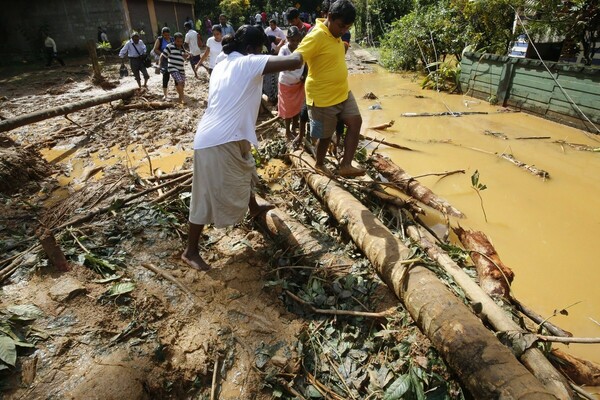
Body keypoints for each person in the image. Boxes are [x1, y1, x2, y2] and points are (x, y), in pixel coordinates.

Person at [181, 25, 303, 271]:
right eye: (259, 49)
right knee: (204, 195)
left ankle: (254, 207)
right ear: (250, 49)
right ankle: (190, 251)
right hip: (217, 140)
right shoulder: (246, 63)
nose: (261, 54)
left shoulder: (224, 63)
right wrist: (315, 39)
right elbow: (295, 60)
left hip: (232, 134)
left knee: (247, 169)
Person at [294, 0, 364, 177]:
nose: (343, 31)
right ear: (329, 17)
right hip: (322, 97)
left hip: (342, 91)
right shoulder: (316, 35)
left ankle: (346, 165)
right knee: (325, 136)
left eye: (347, 28)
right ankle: (319, 164)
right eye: (341, 26)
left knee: (356, 122)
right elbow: (297, 56)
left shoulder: (335, 33)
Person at [277, 27, 305, 142]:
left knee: (297, 108)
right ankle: (287, 131)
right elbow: (280, 63)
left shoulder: (301, 49)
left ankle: (294, 128)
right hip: (286, 83)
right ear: (288, 39)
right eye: (292, 40)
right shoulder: (283, 50)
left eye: (297, 40)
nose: (295, 43)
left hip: (298, 83)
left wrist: (304, 76)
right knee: (287, 109)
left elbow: (306, 63)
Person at [159, 32, 188, 104]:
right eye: (178, 41)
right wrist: (159, 65)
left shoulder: (182, 48)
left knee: (181, 84)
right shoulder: (169, 46)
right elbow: (163, 56)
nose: (179, 43)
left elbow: (184, 58)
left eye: (181, 41)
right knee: (180, 81)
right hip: (172, 67)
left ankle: (180, 97)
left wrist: (186, 56)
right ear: (174, 40)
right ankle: (182, 98)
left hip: (181, 68)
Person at [154, 27, 174, 100]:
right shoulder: (160, 40)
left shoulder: (172, 39)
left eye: (168, 35)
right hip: (164, 60)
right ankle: (165, 95)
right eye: (165, 35)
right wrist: (163, 54)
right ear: (162, 34)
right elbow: (155, 49)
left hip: (172, 59)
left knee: (175, 75)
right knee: (166, 76)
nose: (167, 36)